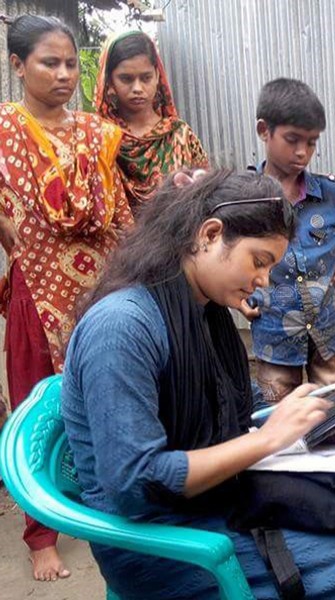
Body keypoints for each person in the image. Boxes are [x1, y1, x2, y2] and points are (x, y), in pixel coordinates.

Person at [60, 168, 335, 600]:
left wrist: (316, 416)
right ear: (210, 234)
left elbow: (237, 405)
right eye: (260, 261)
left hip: (212, 499)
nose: (264, 280)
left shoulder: (202, 311)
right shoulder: (122, 327)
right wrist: (267, 439)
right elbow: (136, 481)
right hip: (160, 540)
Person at [0, 14, 133, 582]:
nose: (61, 75)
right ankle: (40, 534)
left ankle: (106, 500)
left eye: (68, 64)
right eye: (47, 63)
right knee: (35, 401)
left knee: (109, 391)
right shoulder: (3, 131)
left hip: (99, 285)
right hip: (37, 286)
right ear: (16, 65)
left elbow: (120, 210)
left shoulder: (95, 133)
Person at [239, 78, 335, 402]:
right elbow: (220, 254)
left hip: (329, 331)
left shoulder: (333, 197)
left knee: (334, 416)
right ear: (264, 130)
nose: (302, 152)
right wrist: (236, 298)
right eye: (292, 139)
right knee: (277, 418)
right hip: (274, 334)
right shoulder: (243, 199)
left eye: (311, 142)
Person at [94, 30, 208, 212]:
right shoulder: (100, 138)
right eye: (126, 79)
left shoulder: (180, 135)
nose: (137, 88)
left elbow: (205, 194)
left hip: (174, 238)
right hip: (119, 240)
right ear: (109, 82)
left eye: (146, 78)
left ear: (157, 76)